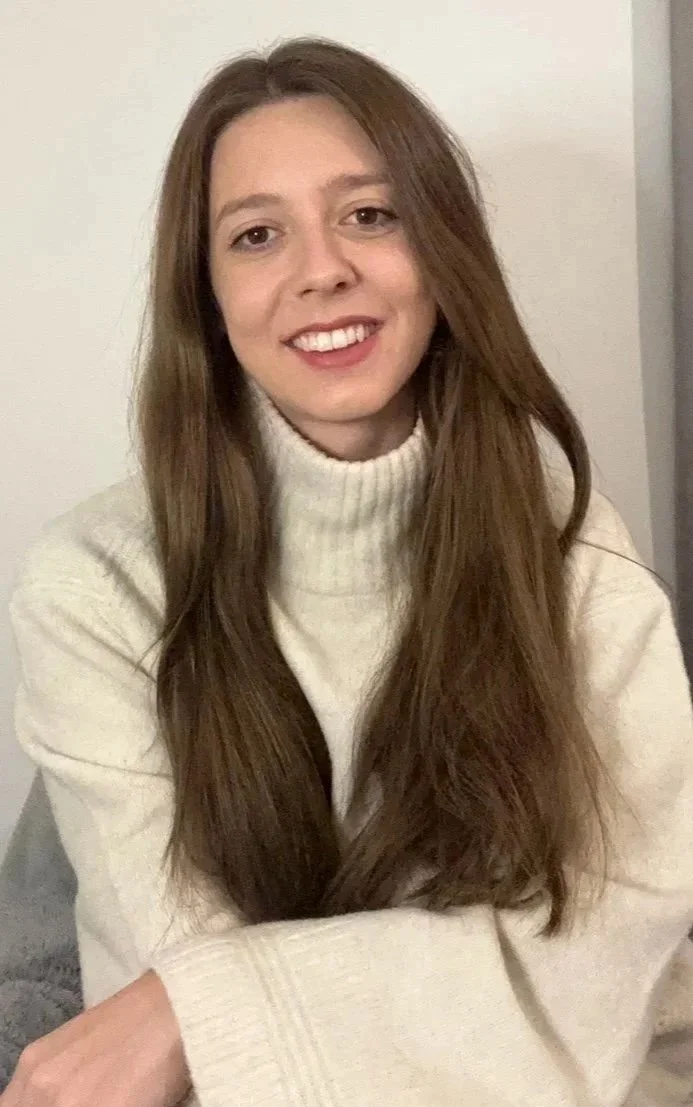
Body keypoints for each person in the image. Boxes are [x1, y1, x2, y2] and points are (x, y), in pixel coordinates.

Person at [2, 33, 693, 1107]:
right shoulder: (94, 587)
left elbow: (603, 976)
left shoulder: (574, 557)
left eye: (371, 214)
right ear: (209, 297)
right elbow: (165, 1018)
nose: (321, 268)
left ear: (443, 250)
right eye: (256, 234)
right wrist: (196, 1013)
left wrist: (205, 1008)